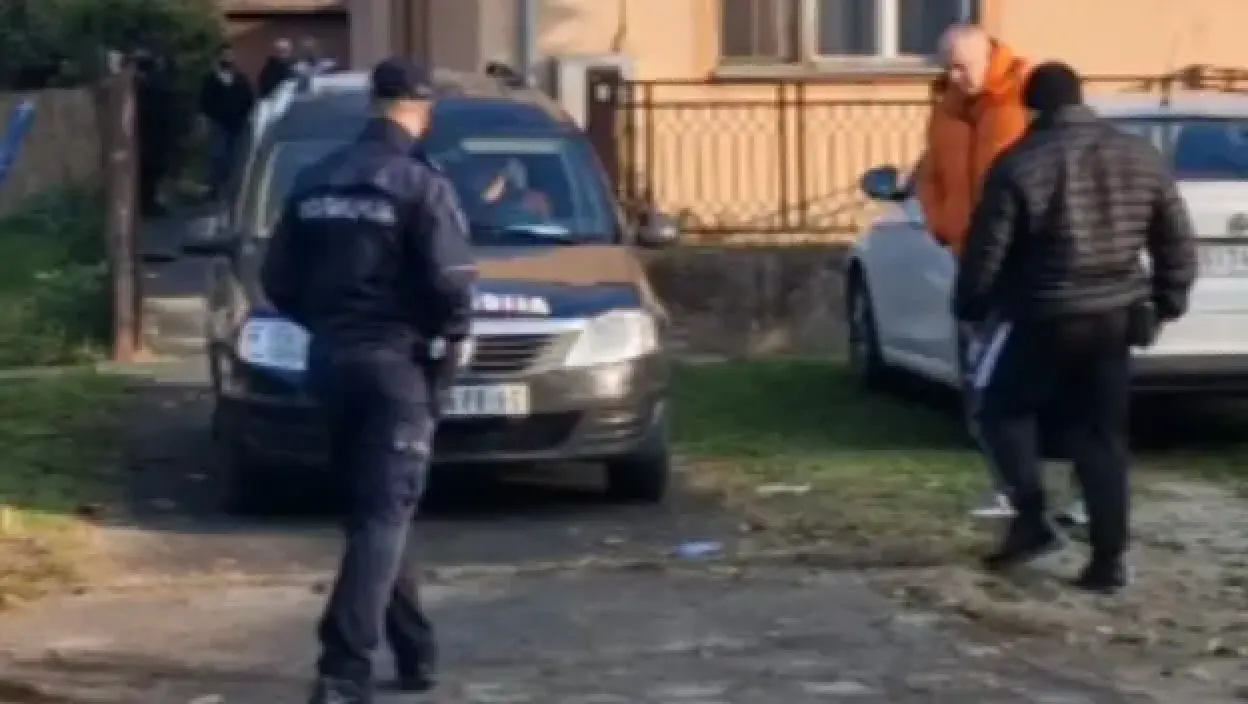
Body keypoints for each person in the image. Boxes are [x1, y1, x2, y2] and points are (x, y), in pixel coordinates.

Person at [260, 57, 475, 704]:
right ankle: (343, 668)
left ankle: (415, 652)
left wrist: (329, 324)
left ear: (371, 104)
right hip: (395, 368)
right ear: (420, 110)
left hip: (331, 362)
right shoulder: (420, 184)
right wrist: (447, 341)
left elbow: (278, 281)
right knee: (383, 515)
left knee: (374, 513)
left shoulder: (316, 178)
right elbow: (450, 285)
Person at [954, 62, 1197, 593]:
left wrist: (970, 304)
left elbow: (988, 250)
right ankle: (1108, 561)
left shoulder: (1020, 164)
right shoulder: (1139, 156)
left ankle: (1031, 516)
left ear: (1030, 106)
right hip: (1113, 315)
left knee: (999, 409)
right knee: (1102, 437)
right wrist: (1165, 303)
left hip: (1040, 312)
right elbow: (1175, 239)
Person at [917, 24, 1084, 524]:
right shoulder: (945, 110)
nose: (953, 76)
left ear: (986, 57)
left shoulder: (1024, 100)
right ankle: (1010, 488)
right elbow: (930, 174)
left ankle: (1079, 495)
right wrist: (943, 224)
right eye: (947, 67)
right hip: (973, 261)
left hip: (1030, 265)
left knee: (1063, 384)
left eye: (961, 66)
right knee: (982, 383)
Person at [199, 46, 254, 199]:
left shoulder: (240, 78)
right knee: (218, 156)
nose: (228, 59)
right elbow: (204, 101)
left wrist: (247, 115)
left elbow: (249, 98)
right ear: (219, 58)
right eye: (225, 56)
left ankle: (232, 190)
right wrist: (205, 119)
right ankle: (214, 188)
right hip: (219, 124)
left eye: (230, 55)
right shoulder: (211, 79)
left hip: (238, 124)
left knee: (234, 158)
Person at [132, 49, 174, 216]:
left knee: (146, 171)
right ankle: (148, 203)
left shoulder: (142, 85)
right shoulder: (158, 82)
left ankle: (145, 204)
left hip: (146, 134)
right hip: (156, 135)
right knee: (151, 172)